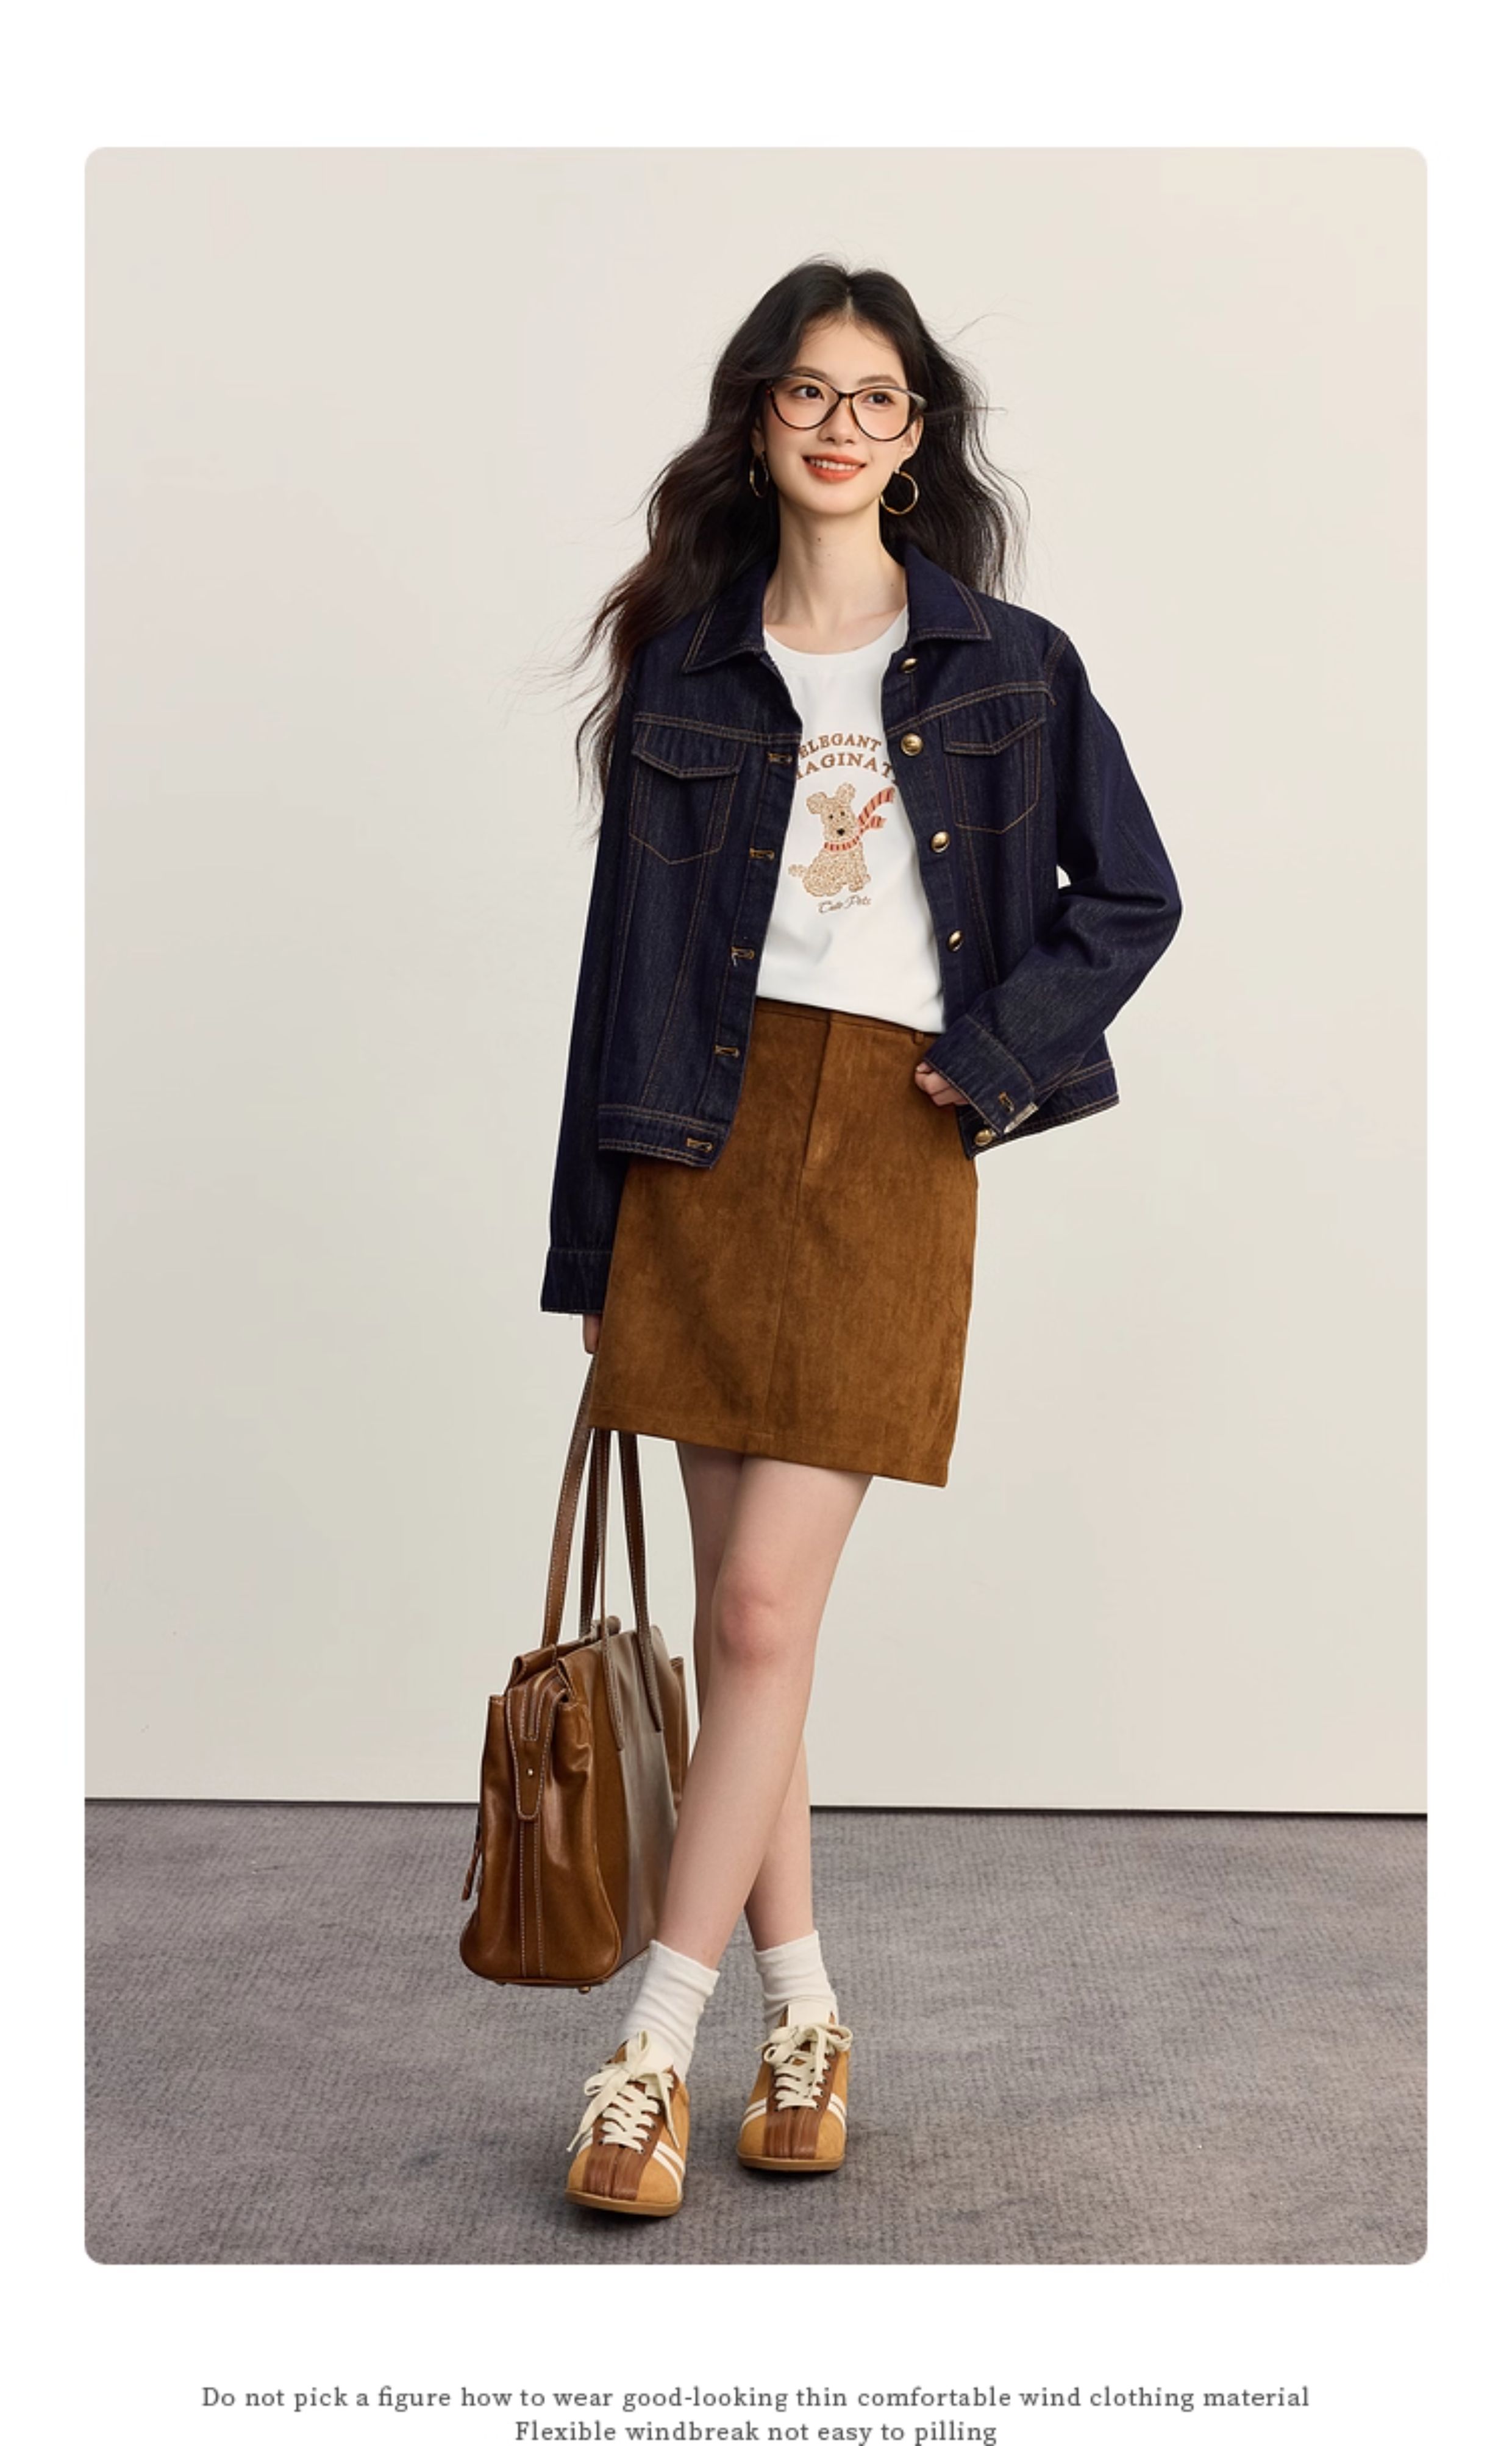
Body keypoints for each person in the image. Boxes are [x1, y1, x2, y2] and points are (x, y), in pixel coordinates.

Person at [538, 260, 1183, 2217]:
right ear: (761, 423)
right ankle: (806, 2019)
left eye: (876, 397)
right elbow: (617, 969)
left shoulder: (1011, 664)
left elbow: (1131, 898)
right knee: (761, 1633)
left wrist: (989, 1060)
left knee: (756, 1619)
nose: (840, 423)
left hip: (891, 1143)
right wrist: (592, 1251)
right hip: (694, 1139)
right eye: (808, 392)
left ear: (916, 440)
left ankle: (649, 2053)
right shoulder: (686, 665)